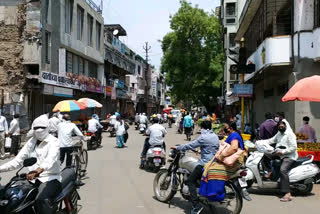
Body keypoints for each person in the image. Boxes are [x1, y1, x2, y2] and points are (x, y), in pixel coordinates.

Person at [0, 114, 62, 214]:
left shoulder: (54, 141)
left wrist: (38, 170)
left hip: (50, 178)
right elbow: (17, 161)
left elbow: (50, 159)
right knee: (12, 196)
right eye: (36, 128)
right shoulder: (31, 142)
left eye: (42, 127)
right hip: (31, 179)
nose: (39, 130)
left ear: (47, 128)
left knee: (41, 200)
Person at [172, 120, 220, 214]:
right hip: (214, 162)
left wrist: (178, 147)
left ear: (202, 127)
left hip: (205, 164)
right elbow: (211, 148)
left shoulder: (203, 137)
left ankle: (196, 206)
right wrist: (200, 150)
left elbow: (190, 145)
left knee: (190, 181)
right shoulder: (215, 136)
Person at [199, 122, 246, 207]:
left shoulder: (234, 135)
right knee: (208, 166)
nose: (225, 129)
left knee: (211, 169)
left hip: (234, 162)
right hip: (233, 160)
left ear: (231, 128)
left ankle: (213, 195)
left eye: (226, 127)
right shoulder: (234, 135)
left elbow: (234, 148)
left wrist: (221, 156)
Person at [257, 121, 298, 202]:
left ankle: (287, 193)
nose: (281, 126)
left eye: (282, 125)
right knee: (265, 155)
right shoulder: (279, 134)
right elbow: (271, 140)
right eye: (279, 125)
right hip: (278, 153)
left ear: (286, 126)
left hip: (289, 156)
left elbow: (293, 148)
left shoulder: (290, 134)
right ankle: (269, 172)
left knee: (283, 170)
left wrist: (282, 152)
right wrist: (259, 142)